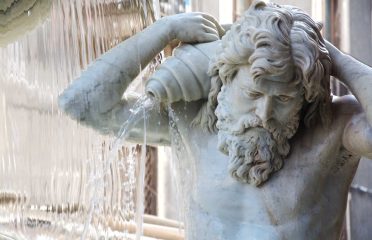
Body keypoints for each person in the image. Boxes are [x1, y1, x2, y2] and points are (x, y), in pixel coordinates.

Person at [59, 1, 372, 239]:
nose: (264, 115)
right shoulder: (189, 120)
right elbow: (82, 105)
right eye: (252, 93)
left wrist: (334, 58)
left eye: (284, 100)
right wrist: (164, 31)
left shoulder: (333, 129)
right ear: (226, 78)